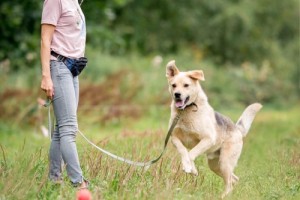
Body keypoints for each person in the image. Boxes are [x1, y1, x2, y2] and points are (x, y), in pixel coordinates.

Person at [40, 0, 88, 189]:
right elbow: (45, 39)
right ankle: (79, 184)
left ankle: (55, 180)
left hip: (73, 68)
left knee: (61, 129)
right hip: (58, 66)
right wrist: (46, 76)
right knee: (69, 128)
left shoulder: (75, 1)